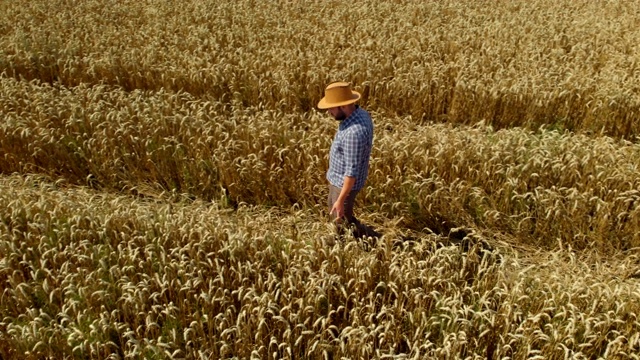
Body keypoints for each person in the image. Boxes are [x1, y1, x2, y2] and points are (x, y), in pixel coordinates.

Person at [318, 81, 379, 240]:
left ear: (343, 106)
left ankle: (365, 242)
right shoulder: (360, 114)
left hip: (343, 184)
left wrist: (341, 199)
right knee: (339, 216)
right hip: (337, 179)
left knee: (340, 220)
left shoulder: (353, 133)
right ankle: (366, 237)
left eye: (331, 108)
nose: (329, 112)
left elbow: (351, 173)